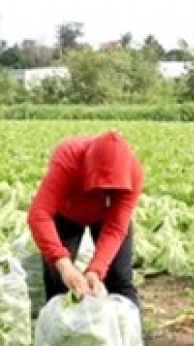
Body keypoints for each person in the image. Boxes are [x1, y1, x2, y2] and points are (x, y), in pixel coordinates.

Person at [26, 130, 144, 310]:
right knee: (58, 279)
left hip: (107, 217)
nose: (104, 193)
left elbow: (115, 228)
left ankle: (131, 334)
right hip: (67, 213)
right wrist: (63, 264)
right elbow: (39, 213)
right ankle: (61, 333)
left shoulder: (133, 174)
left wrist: (96, 271)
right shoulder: (68, 158)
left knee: (120, 278)